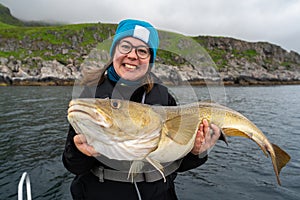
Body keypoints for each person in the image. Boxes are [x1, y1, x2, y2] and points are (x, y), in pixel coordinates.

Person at [62, 19, 221, 200]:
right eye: (125, 46)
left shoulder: (163, 96)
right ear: (114, 51)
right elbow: (72, 165)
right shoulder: (90, 96)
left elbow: (178, 162)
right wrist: (79, 152)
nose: (132, 55)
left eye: (142, 51)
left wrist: (196, 153)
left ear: (150, 60)